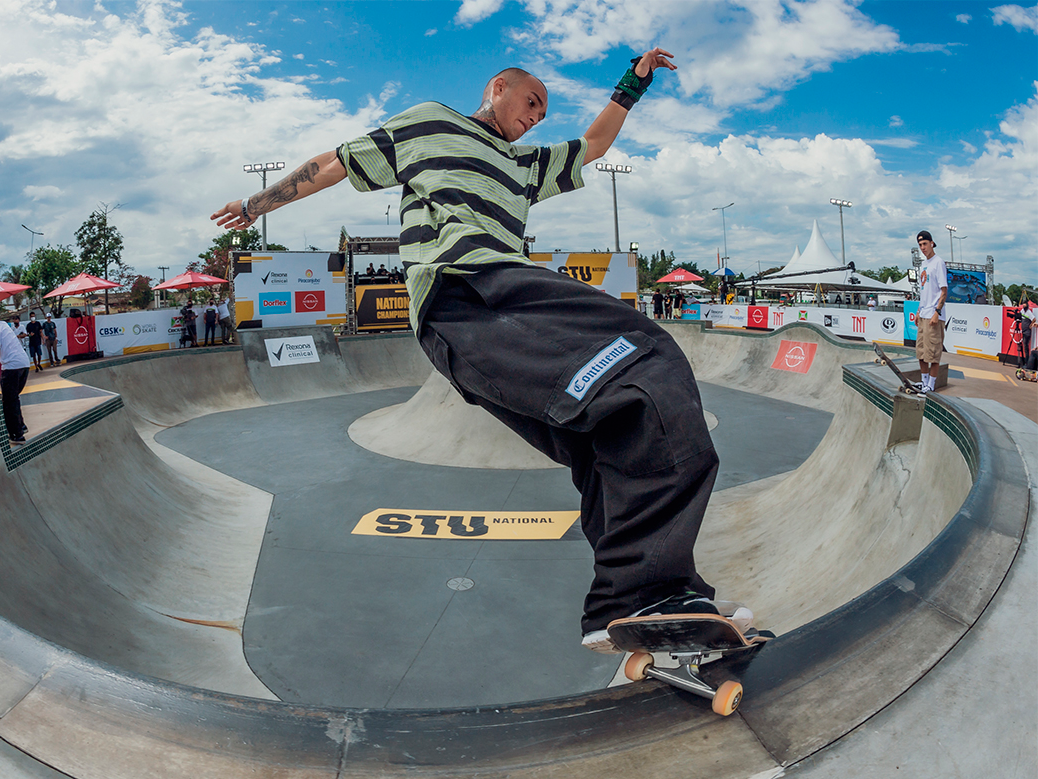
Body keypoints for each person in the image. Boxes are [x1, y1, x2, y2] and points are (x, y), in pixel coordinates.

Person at [212, 48, 748, 654]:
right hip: (467, 291)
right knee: (648, 348)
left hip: (491, 320)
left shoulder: (523, 166)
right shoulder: (428, 124)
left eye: (544, 112)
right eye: (531, 103)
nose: (537, 117)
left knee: (610, 433)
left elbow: (593, 145)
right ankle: (644, 588)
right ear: (498, 89)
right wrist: (255, 205)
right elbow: (333, 164)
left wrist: (634, 83)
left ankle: (636, 598)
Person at [914, 230, 948, 394]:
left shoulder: (938, 262)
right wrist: (919, 311)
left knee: (933, 352)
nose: (923, 248)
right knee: (921, 352)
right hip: (924, 313)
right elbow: (924, 290)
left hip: (935, 314)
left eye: (925, 244)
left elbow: (944, 290)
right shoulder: (924, 264)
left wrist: (937, 312)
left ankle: (931, 385)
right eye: (920, 245)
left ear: (932, 243)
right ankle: (924, 381)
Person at [1, 318, 31, 445]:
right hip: (24, 365)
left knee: (9, 401)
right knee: (13, 398)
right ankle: (21, 425)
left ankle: (16, 435)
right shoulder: (3, 325)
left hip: (12, 367)